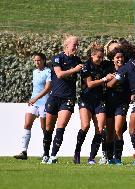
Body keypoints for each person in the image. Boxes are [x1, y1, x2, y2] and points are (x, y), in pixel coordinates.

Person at [41, 35, 84, 164]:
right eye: (74, 44)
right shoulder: (57, 58)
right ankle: (46, 154)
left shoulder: (77, 59)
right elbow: (59, 74)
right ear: (67, 45)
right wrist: (74, 69)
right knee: (48, 128)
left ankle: (53, 156)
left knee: (61, 126)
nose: (76, 47)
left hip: (68, 98)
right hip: (54, 97)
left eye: (77, 44)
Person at [73, 43, 114, 165]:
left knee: (100, 129)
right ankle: (77, 152)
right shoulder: (86, 66)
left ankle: (91, 157)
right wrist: (104, 79)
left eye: (102, 57)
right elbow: (89, 84)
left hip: (99, 100)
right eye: (98, 57)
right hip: (86, 99)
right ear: (92, 55)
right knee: (85, 126)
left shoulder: (105, 65)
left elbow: (116, 64)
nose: (100, 60)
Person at [14, 52, 51, 160]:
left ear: (44, 60)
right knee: (27, 124)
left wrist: (36, 98)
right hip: (34, 102)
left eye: (38, 60)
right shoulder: (35, 72)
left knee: (44, 128)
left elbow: (48, 88)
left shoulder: (48, 71)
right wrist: (33, 98)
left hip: (44, 102)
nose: (36, 62)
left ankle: (46, 152)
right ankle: (23, 151)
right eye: (35, 60)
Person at [105, 47, 131, 165]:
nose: (120, 59)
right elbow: (109, 85)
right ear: (113, 60)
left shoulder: (128, 70)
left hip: (122, 103)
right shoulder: (108, 70)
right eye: (117, 57)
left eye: (121, 57)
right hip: (110, 102)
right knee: (110, 132)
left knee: (118, 129)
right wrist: (116, 77)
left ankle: (118, 158)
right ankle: (109, 158)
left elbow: (133, 84)